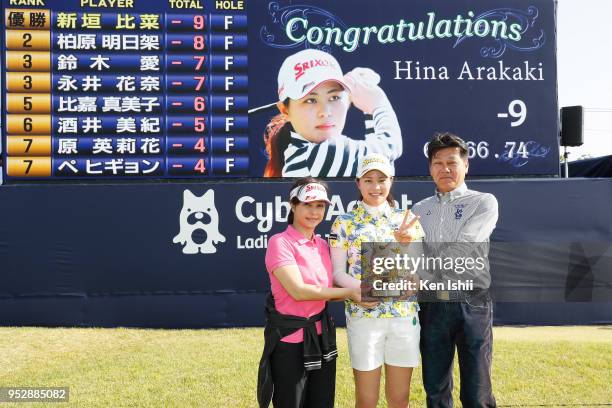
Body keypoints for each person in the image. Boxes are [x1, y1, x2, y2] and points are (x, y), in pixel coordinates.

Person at [329, 153, 424, 408]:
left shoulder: (407, 220)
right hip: (364, 318)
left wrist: (406, 247)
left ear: (391, 181)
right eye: (368, 180)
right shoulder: (343, 223)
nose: (375, 186)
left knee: (399, 399)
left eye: (381, 180)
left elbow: (418, 273)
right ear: (358, 183)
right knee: (366, 400)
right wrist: (359, 290)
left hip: (403, 317)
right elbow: (337, 273)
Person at [412, 132, 499, 408]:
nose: (445, 169)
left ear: (466, 165)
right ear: (430, 168)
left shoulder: (484, 202)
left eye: (452, 162)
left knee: (476, 391)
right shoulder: (419, 209)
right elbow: (411, 254)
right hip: (433, 304)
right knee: (435, 388)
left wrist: (420, 271)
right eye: (438, 163)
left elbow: (464, 248)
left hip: (470, 302)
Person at [257, 177, 361, 408]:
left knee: (322, 402)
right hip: (290, 340)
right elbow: (299, 291)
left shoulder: (323, 245)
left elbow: (345, 272)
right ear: (293, 205)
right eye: (307, 204)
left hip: (322, 338)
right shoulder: (280, 242)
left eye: (320, 206)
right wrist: (350, 293)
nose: (314, 212)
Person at [263, 48, 402, 178]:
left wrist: (369, 109)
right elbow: (389, 150)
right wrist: (379, 103)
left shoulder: (302, 152)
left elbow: (382, 169)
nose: (325, 112)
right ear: (284, 110)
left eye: (334, 97)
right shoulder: (320, 156)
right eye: (311, 100)